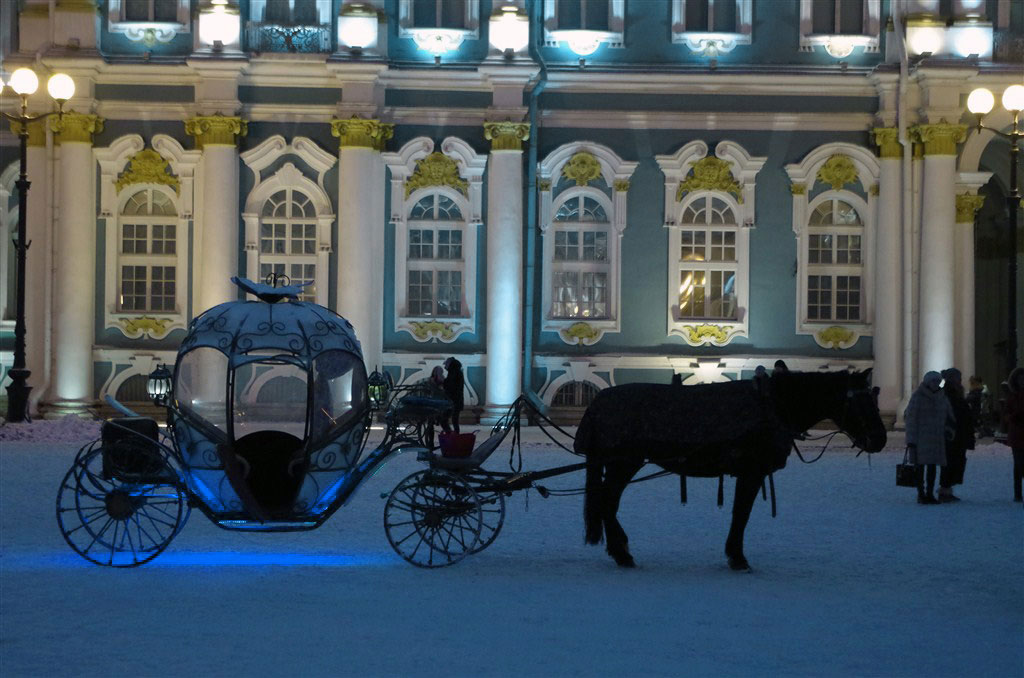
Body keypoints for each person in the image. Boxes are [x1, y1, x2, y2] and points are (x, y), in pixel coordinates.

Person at [904, 371, 954, 505]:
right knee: (920, 468)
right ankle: (921, 493)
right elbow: (911, 419)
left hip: (936, 438)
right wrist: (911, 440)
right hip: (921, 439)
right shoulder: (918, 397)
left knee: (932, 468)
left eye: (938, 381)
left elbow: (949, 416)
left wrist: (949, 430)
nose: (936, 384)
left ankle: (930, 493)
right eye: (933, 381)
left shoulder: (942, 397)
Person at [939, 368, 974, 503]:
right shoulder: (949, 393)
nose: (960, 380)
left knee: (954, 461)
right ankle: (945, 489)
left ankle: (947, 488)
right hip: (953, 433)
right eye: (958, 378)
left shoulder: (952, 392)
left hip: (957, 432)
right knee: (951, 462)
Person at [1003, 367, 1024, 502]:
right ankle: (1017, 493)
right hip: (1017, 434)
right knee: (1018, 464)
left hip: (1018, 432)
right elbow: (1006, 414)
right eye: (1020, 379)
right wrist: (1013, 417)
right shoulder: (1012, 397)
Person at [442, 357, 465, 434]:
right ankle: (454, 434)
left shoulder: (453, 372)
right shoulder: (456, 371)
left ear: (450, 364)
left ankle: (452, 435)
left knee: (446, 419)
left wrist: (444, 382)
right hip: (456, 400)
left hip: (453, 400)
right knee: (454, 419)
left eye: (446, 364)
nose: (445, 366)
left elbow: (451, 386)